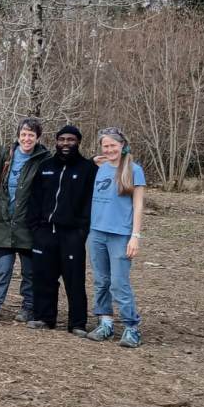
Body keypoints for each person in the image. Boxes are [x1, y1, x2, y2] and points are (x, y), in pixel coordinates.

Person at [0, 118, 50, 325]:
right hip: (3, 222)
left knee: (30, 271)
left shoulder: (44, 158)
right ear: (18, 136)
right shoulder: (6, 154)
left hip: (30, 224)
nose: (27, 139)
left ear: (37, 138)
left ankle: (29, 308)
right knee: (1, 269)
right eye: (23, 134)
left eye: (31, 135)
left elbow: (48, 193)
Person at [25, 124, 96, 335]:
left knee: (74, 279)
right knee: (43, 277)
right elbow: (35, 198)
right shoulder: (45, 166)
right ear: (56, 142)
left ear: (78, 142)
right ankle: (44, 317)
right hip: (45, 231)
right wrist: (36, 227)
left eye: (71, 140)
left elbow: (90, 202)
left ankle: (77, 323)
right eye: (62, 139)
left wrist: (81, 230)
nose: (66, 143)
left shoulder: (88, 169)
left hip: (72, 233)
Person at [86, 127, 147, 348]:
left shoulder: (134, 170)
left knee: (119, 282)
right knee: (101, 281)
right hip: (96, 233)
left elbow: (138, 205)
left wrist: (135, 236)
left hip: (120, 235)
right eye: (106, 146)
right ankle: (105, 322)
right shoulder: (99, 168)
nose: (109, 149)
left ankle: (131, 327)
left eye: (113, 145)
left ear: (122, 145)